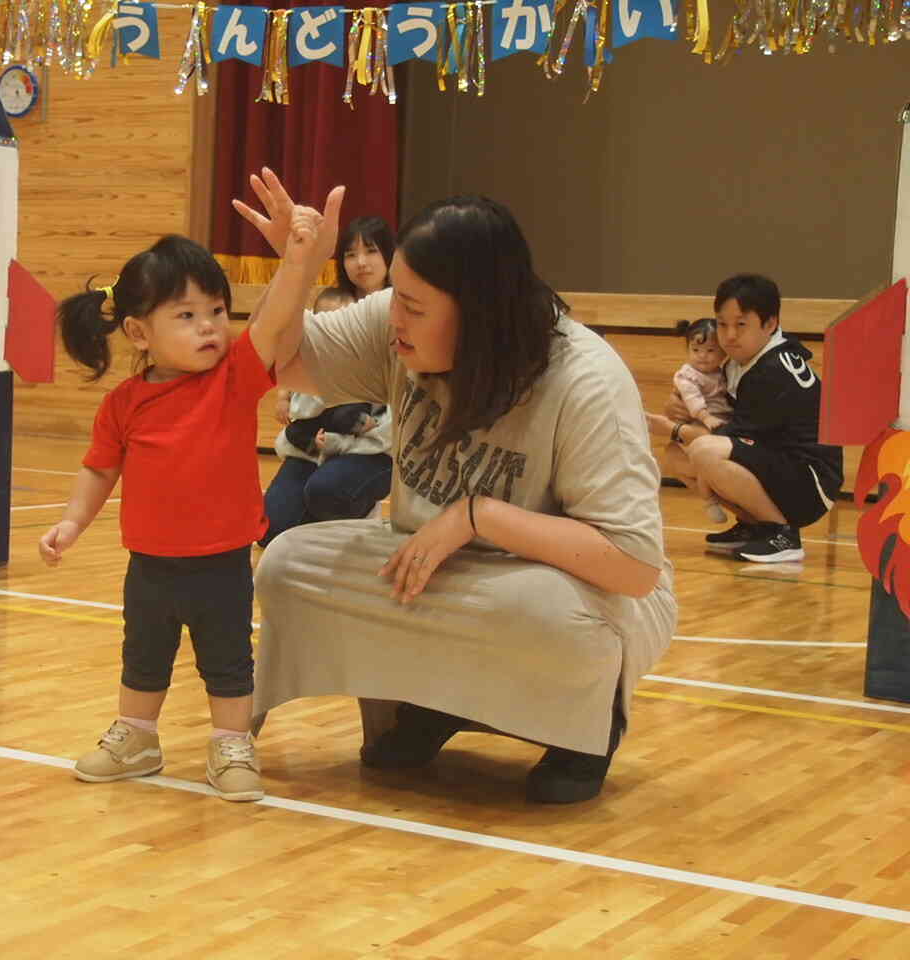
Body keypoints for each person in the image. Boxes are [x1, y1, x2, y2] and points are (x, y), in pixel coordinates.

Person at [232, 170, 676, 804]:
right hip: (435, 571)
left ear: (482, 312)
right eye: (398, 300)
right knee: (288, 564)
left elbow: (635, 567)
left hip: (557, 587)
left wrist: (477, 516)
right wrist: (298, 268)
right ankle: (430, 704)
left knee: (543, 614)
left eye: (415, 307)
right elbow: (270, 362)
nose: (396, 321)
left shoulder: (587, 380)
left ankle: (584, 731)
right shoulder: (396, 319)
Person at [38, 192, 342, 802]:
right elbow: (100, 471)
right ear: (137, 332)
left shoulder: (235, 376)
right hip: (148, 562)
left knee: (228, 658)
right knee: (143, 652)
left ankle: (231, 744)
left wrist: (297, 261)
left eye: (217, 310)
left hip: (221, 561)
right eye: (186, 315)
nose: (209, 326)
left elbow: (277, 317)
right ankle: (137, 735)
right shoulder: (123, 404)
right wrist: (72, 522)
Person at [646, 275, 843, 564]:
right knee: (676, 456)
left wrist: (673, 427)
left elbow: (725, 438)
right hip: (781, 464)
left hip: (810, 483)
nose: (729, 335)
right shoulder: (746, 360)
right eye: (722, 324)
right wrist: (680, 407)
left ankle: (782, 534)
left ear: (770, 323)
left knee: (704, 451)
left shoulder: (772, 369)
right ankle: (755, 526)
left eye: (741, 324)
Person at [261, 284, 394, 546]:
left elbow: (365, 422)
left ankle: (355, 510)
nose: (361, 262)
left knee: (327, 492)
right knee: (270, 529)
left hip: (364, 451)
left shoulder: (375, 345)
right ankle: (309, 512)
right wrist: (284, 395)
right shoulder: (316, 356)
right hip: (312, 448)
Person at [668, 318, 733, 523]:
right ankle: (709, 501)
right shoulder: (687, 375)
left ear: (723, 351)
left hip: (721, 422)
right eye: (696, 350)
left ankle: (713, 497)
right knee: (701, 462)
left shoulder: (723, 372)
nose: (702, 356)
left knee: (707, 466)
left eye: (710, 350)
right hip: (700, 422)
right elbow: (692, 399)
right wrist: (706, 417)